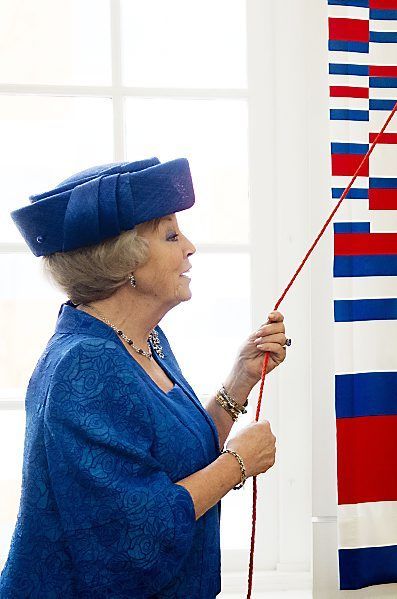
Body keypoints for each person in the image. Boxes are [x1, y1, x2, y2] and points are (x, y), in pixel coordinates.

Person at [0, 158, 288, 597]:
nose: (189, 247)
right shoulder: (83, 365)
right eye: (171, 235)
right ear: (125, 263)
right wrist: (238, 463)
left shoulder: (146, 339)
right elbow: (134, 533)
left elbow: (174, 461)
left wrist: (240, 381)